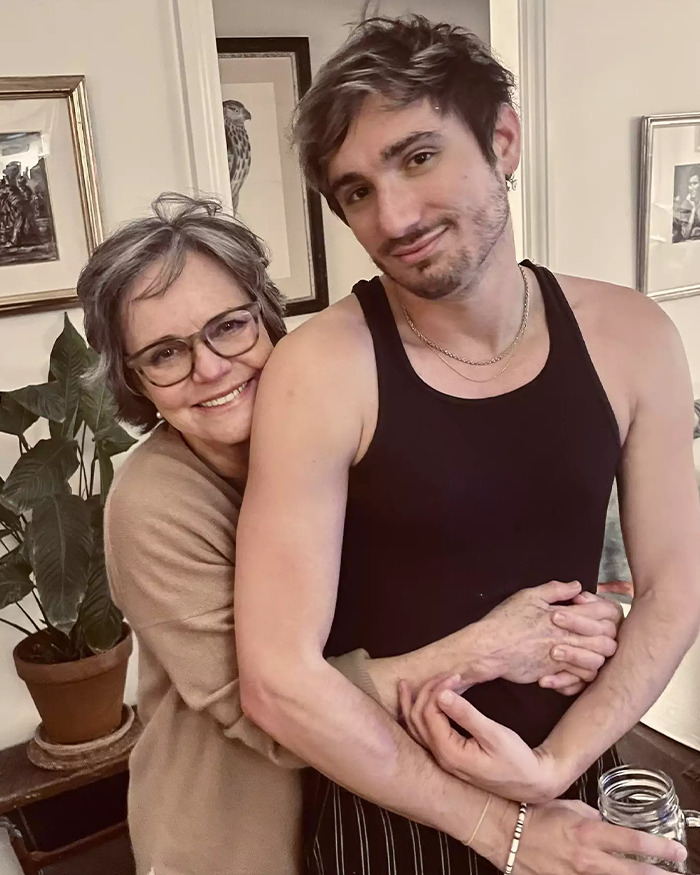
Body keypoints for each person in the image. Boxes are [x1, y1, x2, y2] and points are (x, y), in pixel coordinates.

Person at [234, 15, 700, 875]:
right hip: (391, 805)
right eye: (356, 192)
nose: (395, 215)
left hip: (571, 770)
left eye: (416, 157)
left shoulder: (633, 337)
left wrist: (555, 768)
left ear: (503, 139)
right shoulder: (321, 372)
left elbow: (676, 587)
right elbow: (277, 679)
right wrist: (504, 831)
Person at [76, 193, 619, 875]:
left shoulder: (341, 428)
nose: (210, 367)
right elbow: (270, 712)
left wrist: (571, 623)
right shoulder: (155, 504)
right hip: (243, 835)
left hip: (387, 805)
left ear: (269, 318)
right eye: (164, 354)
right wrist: (485, 649)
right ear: (135, 383)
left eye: (230, 326)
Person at [673, 166, 700, 242]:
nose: (691, 188)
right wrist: (693, 211)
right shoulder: (685, 205)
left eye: (695, 183)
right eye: (689, 184)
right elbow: (686, 234)